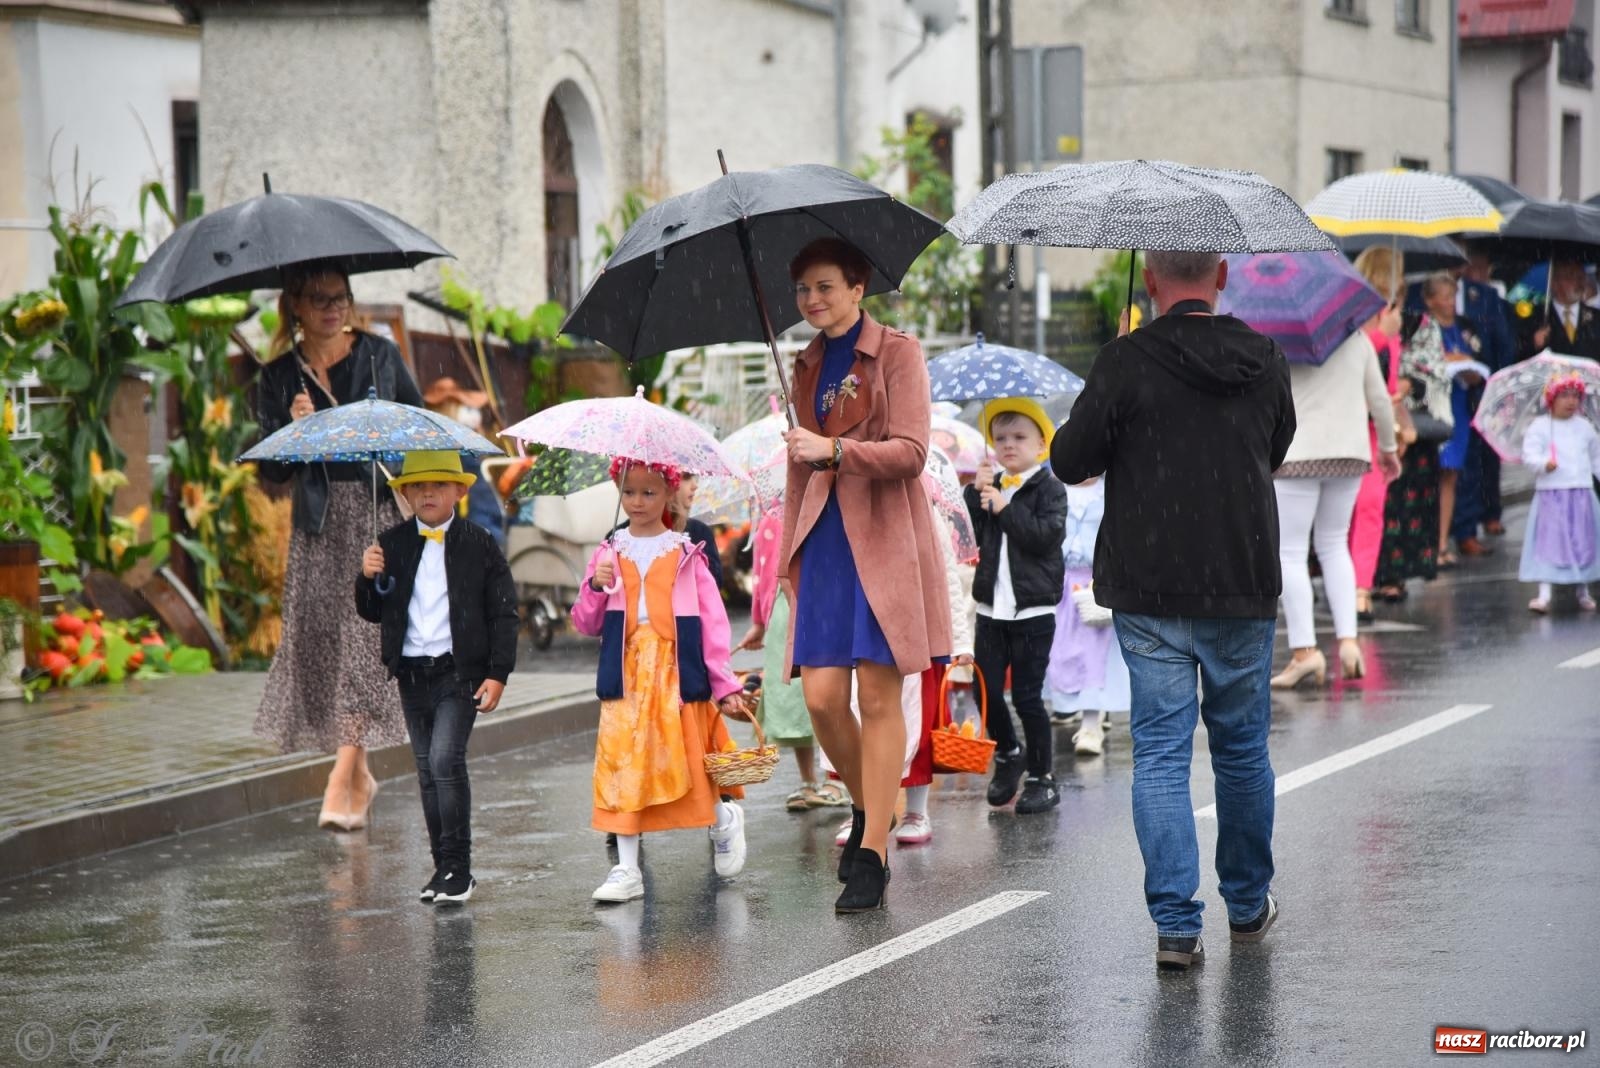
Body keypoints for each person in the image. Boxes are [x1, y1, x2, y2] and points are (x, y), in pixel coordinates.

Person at [1051, 249, 1294, 971]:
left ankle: (1176, 927)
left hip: (1150, 582)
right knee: (1242, 749)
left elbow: (1070, 460)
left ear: (1151, 279)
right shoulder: (1265, 357)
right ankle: (1248, 906)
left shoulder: (1126, 361)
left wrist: (1109, 399)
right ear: (1221, 275)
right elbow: (1275, 449)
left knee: (1159, 754)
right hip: (1240, 576)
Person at [778, 237, 952, 913]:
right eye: (802, 291)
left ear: (857, 288)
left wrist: (836, 450)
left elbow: (912, 452)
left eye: (824, 287)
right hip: (823, 541)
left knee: (879, 698)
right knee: (821, 698)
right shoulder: (804, 365)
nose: (811, 301)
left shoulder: (899, 353)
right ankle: (867, 801)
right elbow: (801, 467)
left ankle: (873, 846)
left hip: (882, 538)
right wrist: (788, 555)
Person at [253, 264, 423, 831]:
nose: (333, 308)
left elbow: (417, 428)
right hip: (319, 528)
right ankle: (360, 776)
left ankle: (339, 776)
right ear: (295, 306)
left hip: (374, 516)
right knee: (326, 644)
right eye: (320, 298)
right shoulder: (278, 377)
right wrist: (296, 431)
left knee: (364, 644)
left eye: (341, 298)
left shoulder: (380, 356)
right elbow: (268, 475)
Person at [572, 458, 752, 904]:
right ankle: (627, 866)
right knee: (623, 764)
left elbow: (712, 624)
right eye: (629, 492)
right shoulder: (609, 551)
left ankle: (722, 820)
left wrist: (724, 684)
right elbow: (585, 622)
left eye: (649, 493)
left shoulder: (686, 552)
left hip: (676, 671)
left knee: (686, 761)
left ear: (669, 495)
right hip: (626, 674)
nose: (637, 502)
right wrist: (595, 586)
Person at [355, 451, 518, 905]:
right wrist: (367, 579)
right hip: (411, 673)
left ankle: (460, 868)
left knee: (446, 761)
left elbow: (504, 613)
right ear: (404, 493)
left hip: (458, 673)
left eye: (439, 485)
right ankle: (442, 866)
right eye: (419, 486)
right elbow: (373, 610)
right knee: (427, 771)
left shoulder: (479, 543)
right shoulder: (392, 544)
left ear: (460, 491)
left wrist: (498, 673)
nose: (428, 493)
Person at [1270, 325, 1402, 688]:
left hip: (1296, 454)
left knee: (1291, 553)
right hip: (1350, 453)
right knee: (1334, 544)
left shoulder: (1281, 339)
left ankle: (1305, 652)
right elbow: (1379, 400)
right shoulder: (1357, 339)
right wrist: (1388, 449)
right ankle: (1348, 642)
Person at [965, 398, 1068, 813]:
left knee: (1027, 696)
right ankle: (1008, 752)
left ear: (1041, 443)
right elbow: (970, 533)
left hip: (1032, 611)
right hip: (992, 609)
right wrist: (977, 495)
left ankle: (1043, 776)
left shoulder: (1050, 488)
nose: (1009, 445)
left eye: (1020, 437)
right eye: (1001, 438)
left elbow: (1045, 537)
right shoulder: (991, 487)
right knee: (984, 688)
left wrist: (1006, 510)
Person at [739, 509, 848, 812]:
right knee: (791, 697)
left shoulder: (824, 505)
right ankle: (808, 780)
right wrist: (759, 621)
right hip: (779, 608)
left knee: (824, 693)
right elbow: (761, 571)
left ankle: (836, 777)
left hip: (819, 600)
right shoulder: (769, 517)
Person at [1374, 294, 1454, 600]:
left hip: (1413, 425)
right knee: (1374, 504)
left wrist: (1404, 383)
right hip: (1372, 418)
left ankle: (1394, 576)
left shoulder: (1420, 323)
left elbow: (1433, 370)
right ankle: (1367, 577)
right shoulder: (1359, 317)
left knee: (1404, 504)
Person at [1348, 248, 1413, 619]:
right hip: (1350, 427)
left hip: (1375, 432)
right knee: (1347, 514)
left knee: (1370, 510)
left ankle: (1361, 588)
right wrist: (1381, 338)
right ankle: (1350, 585)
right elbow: (1351, 364)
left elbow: (1384, 387)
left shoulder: (1391, 322)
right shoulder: (1355, 318)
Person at [1044, 475, 1130, 756]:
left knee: (1095, 657)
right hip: (1060, 583)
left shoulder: (1109, 492)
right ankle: (1065, 706)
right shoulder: (1056, 492)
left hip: (1094, 584)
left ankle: (1091, 723)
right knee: (1060, 652)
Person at [1417, 274, 1489, 568]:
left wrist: (1468, 369)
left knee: (1451, 475)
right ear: (1430, 300)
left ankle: (1442, 541)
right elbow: (1421, 363)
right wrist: (1448, 359)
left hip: (1458, 406)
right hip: (1433, 407)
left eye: (1452, 296)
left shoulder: (1463, 327)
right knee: (1431, 474)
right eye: (1444, 297)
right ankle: (1427, 542)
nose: (1449, 303)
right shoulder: (1423, 327)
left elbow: (1473, 364)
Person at [1520, 374, 1600, 613]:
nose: (1571, 401)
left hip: (1580, 493)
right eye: (1564, 395)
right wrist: (1544, 464)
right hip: (1552, 494)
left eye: (1575, 396)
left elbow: (1596, 457)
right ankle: (1544, 592)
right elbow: (1529, 456)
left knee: (1582, 541)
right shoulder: (1541, 427)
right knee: (1551, 542)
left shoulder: (1585, 427)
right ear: (1551, 399)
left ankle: (1582, 589)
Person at [1458, 248, 1518, 538]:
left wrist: (1498, 384)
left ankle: (1489, 512)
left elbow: (1504, 345)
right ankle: (1461, 525)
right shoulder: (1427, 294)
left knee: (1486, 456)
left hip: (1484, 388)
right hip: (1450, 390)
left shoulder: (1485, 297)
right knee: (1457, 460)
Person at [421, 377, 508, 549]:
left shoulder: (466, 444)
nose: (474, 415)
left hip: (480, 512)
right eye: (465, 407)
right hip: (473, 514)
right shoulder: (451, 449)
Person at [1543, 260, 1600, 362]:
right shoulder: (1539, 316)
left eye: (1582, 276)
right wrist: (1534, 344)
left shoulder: (1597, 317)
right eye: (1571, 276)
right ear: (1554, 282)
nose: (1580, 282)